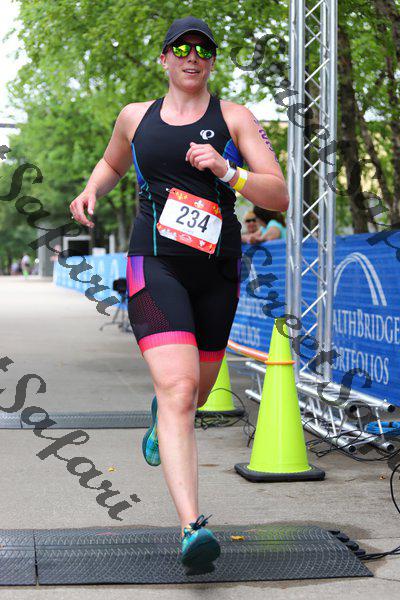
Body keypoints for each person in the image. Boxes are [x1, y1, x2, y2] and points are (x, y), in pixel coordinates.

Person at [69, 16, 289, 569]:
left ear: (211, 61)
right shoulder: (135, 117)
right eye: (182, 48)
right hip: (155, 264)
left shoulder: (235, 118)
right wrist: (92, 189)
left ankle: (162, 416)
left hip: (217, 270)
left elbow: (279, 195)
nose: (192, 56)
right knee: (180, 388)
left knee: (194, 394)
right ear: (164, 58)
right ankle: (192, 527)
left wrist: (229, 172)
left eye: (203, 49)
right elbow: (112, 162)